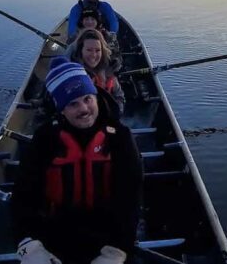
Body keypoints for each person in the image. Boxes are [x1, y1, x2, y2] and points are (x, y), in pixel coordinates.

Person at [12, 57, 142, 264]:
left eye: (87, 99)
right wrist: (28, 243)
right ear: (61, 109)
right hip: (53, 233)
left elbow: (130, 198)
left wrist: (119, 248)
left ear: (96, 97)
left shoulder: (119, 137)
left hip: (107, 235)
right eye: (72, 104)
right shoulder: (45, 139)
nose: (83, 109)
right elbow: (23, 196)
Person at [70, 30, 125, 114]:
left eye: (97, 50)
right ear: (81, 50)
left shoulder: (108, 71)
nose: (94, 55)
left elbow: (119, 96)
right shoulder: (71, 75)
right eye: (89, 50)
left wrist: (115, 112)